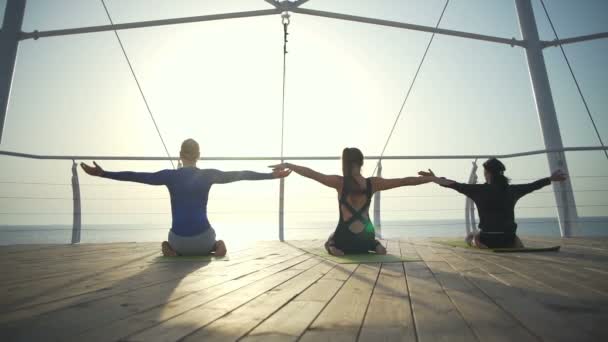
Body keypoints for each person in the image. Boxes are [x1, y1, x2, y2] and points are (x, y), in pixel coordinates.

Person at [81, 138, 290, 257]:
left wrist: (102, 173)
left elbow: (136, 177)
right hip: (203, 241)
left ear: (180, 155)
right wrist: (272, 176)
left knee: (166, 242)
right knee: (216, 238)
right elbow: (241, 175)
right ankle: (218, 246)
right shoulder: (207, 175)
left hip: (179, 243)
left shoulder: (170, 176)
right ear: (198, 155)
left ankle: (170, 250)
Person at [271, 147, 435, 256]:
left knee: (331, 239)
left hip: (344, 240)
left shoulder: (339, 182)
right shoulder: (374, 183)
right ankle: (375, 245)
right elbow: (404, 181)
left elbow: (312, 174)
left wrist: (288, 164)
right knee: (370, 239)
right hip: (365, 239)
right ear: (361, 162)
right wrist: (431, 179)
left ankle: (332, 246)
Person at [420, 158, 568, 248]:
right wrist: (550, 179)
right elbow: (533, 185)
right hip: (508, 239)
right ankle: (515, 244)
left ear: (488, 174)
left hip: (488, 240)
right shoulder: (512, 190)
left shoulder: (477, 190)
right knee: (511, 236)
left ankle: (476, 240)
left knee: (469, 237)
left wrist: (434, 178)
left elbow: (453, 184)